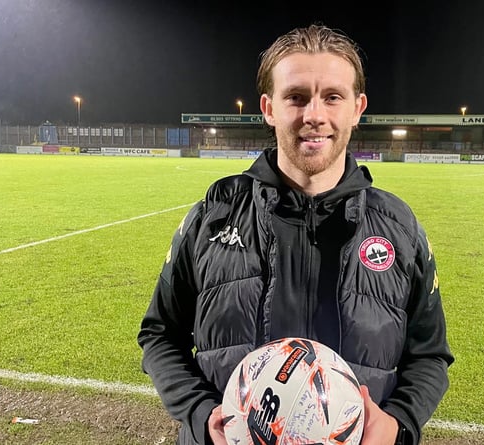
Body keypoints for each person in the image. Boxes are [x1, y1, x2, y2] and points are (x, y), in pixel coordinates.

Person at [138, 23, 454, 445]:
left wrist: (398, 424)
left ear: (357, 108)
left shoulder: (399, 227)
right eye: (296, 97)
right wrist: (200, 414)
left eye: (332, 97)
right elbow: (160, 334)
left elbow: (429, 354)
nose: (314, 115)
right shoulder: (213, 217)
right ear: (269, 108)